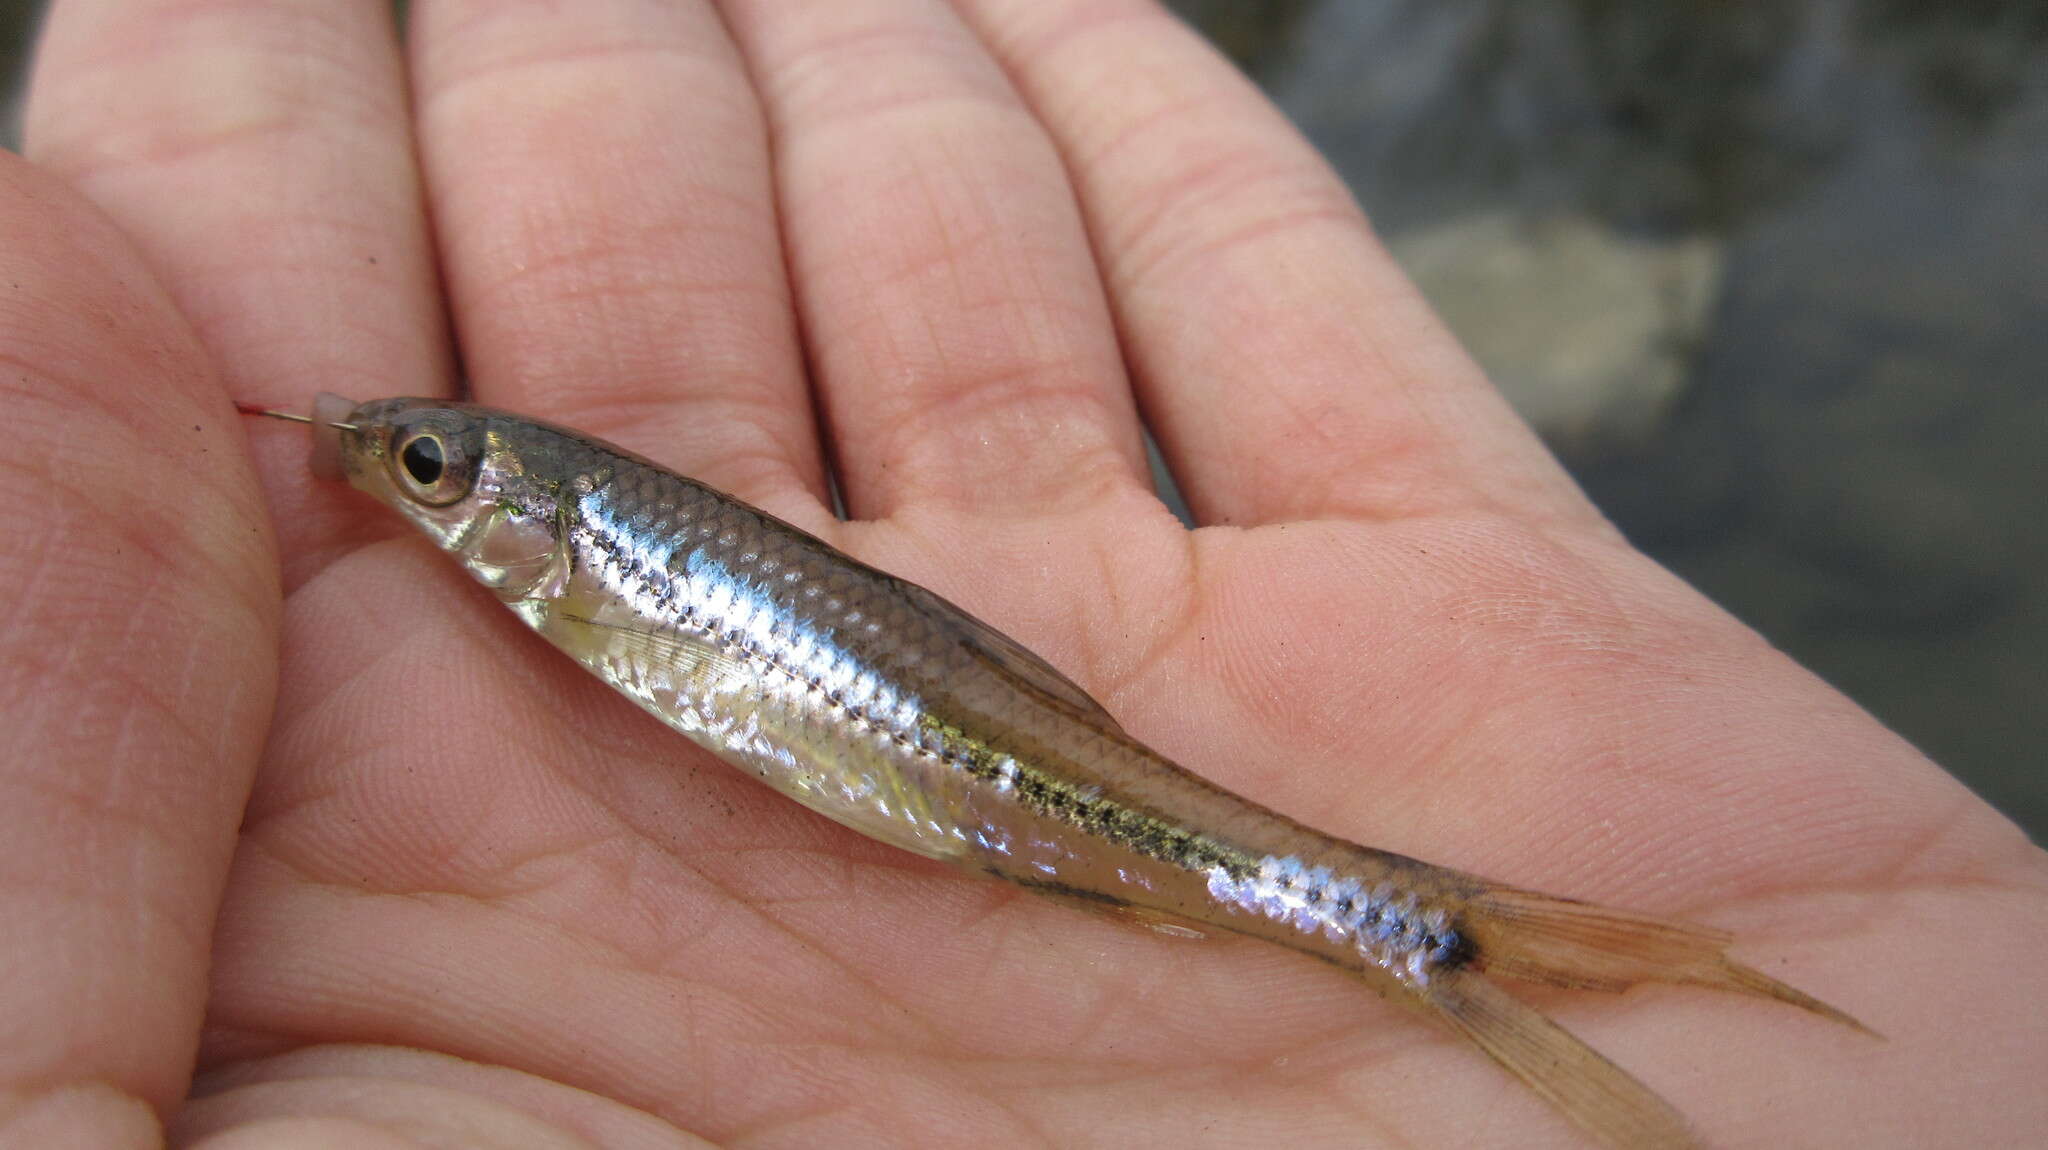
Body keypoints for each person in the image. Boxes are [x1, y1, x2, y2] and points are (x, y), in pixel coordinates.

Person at [2, 1, 2041, 1146]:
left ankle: (1420, 930)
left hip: (1022, 776)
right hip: (1003, 770)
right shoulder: (546, 549)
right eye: (429, 468)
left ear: (534, 522)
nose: (417, 480)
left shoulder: (582, 558)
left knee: (1172, 835)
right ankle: (1415, 930)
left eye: (439, 469)